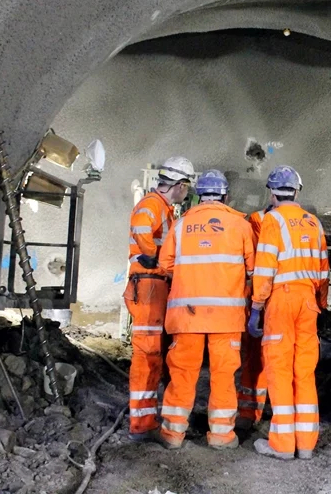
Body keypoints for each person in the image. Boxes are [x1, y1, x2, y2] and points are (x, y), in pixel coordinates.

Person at [158, 169, 255, 450]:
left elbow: (165, 265)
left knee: (183, 373)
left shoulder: (181, 224)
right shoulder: (240, 225)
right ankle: (222, 436)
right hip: (226, 317)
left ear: (200, 196)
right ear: (225, 196)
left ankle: (173, 435)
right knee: (224, 374)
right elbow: (253, 269)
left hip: (187, 315)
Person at [249, 166, 329, 460]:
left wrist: (256, 307)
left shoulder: (272, 220)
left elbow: (265, 267)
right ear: (297, 191)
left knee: (279, 370)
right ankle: (306, 445)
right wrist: (321, 304)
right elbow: (323, 272)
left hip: (281, 301)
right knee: (304, 372)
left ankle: (282, 445)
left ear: (271, 192)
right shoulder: (313, 223)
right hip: (308, 302)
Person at [124, 156, 194, 441]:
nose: (186, 192)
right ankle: (141, 424)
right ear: (177, 185)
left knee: (155, 354)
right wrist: (153, 255)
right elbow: (141, 227)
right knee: (147, 353)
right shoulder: (152, 205)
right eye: (186, 186)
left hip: (155, 285)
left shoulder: (164, 208)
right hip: (149, 285)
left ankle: (147, 417)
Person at [237, 206, 273, 428]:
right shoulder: (307, 223)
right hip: (278, 299)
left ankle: (250, 414)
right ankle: (256, 412)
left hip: (263, 297)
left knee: (256, 357)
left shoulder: (256, 220)